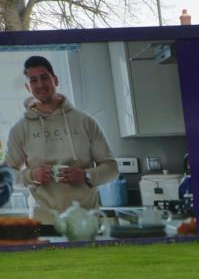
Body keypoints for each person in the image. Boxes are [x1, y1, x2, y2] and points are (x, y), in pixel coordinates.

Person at [5, 55, 118, 225]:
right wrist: (31, 175)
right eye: (33, 80)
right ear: (28, 87)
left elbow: (112, 169)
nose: (40, 84)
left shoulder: (85, 121)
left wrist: (85, 175)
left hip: (86, 220)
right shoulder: (20, 129)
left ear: (55, 80)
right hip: (43, 221)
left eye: (44, 77)